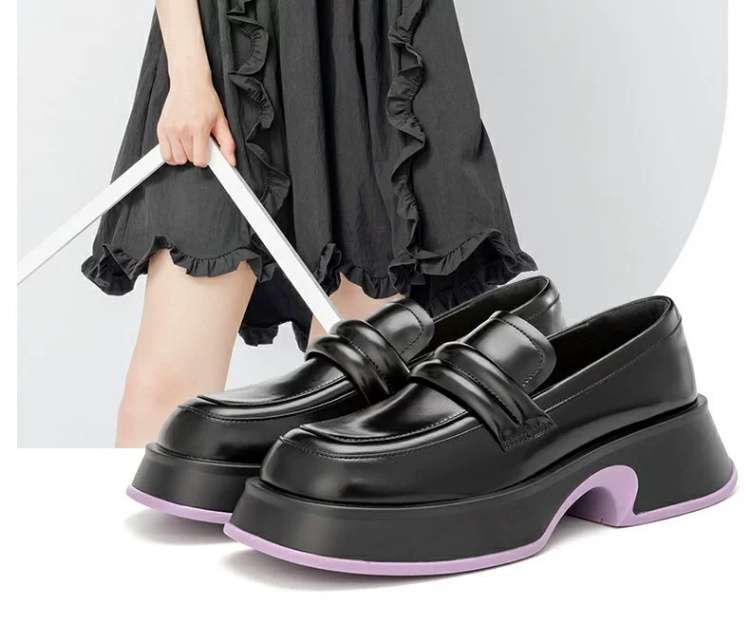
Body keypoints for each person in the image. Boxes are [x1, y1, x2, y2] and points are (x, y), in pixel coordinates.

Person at [82, 0, 536, 447]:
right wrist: (187, 77)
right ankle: (139, 500)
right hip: (224, 43)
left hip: (366, 42)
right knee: (164, 392)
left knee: (351, 388)